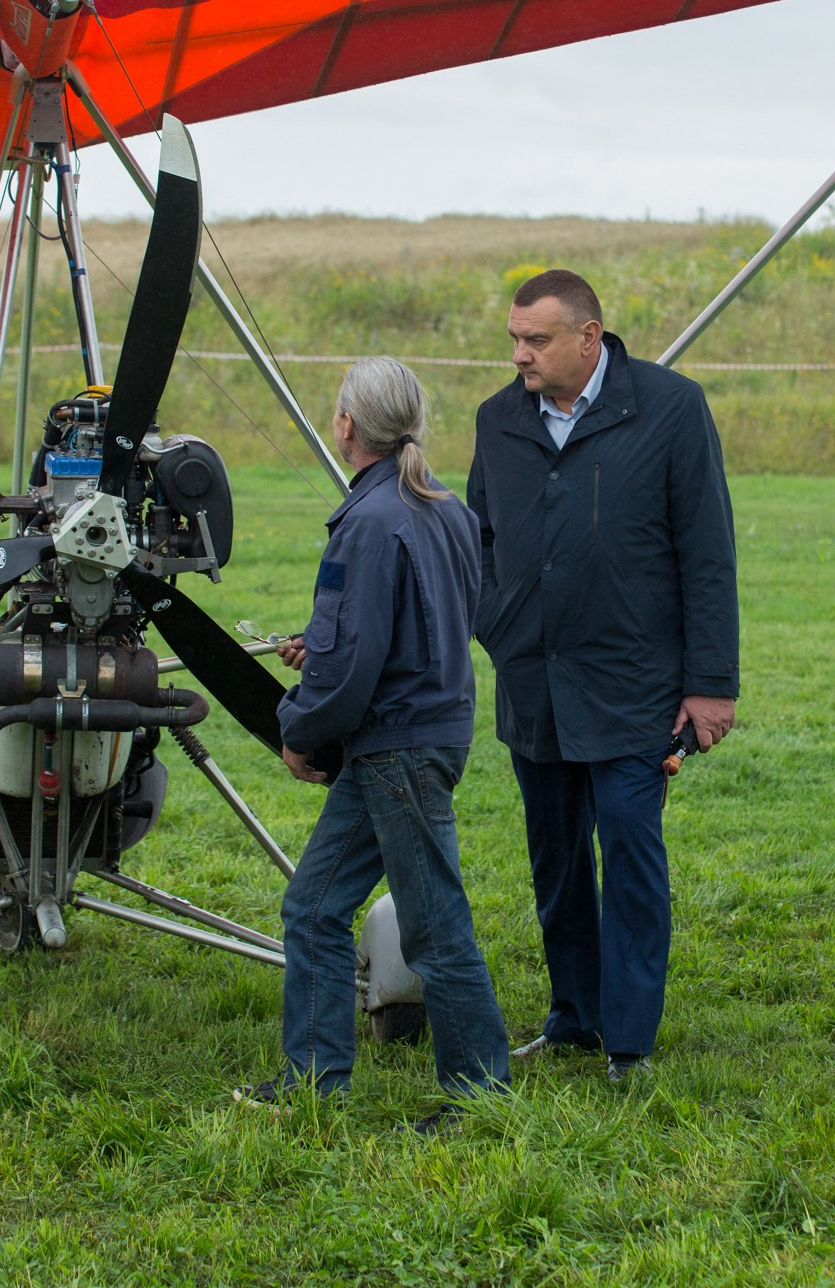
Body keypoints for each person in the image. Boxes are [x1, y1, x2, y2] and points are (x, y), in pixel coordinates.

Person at [468, 268, 739, 1081]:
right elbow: (478, 540)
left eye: (536, 340)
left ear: (589, 337)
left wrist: (711, 683)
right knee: (555, 864)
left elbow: (707, 552)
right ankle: (574, 1017)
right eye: (514, 338)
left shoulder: (671, 408)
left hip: (634, 685)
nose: (520, 355)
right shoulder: (497, 421)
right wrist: (496, 625)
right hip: (534, 686)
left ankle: (628, 1042)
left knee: (628, 856)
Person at [236, 356, 510, 1127]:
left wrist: (298, 730)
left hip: (396, 750)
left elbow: (355, 666)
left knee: (434, 925)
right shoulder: (445, 509)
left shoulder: (367, 520)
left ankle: (481, 1095)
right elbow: (424, 628)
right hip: (417, 738)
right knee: (314, 907)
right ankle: (314, 1084)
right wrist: (320, 647)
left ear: (348, 425)